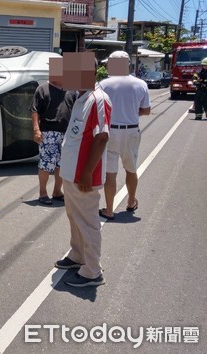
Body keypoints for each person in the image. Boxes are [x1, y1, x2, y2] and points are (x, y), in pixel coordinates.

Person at [54, 51, 111, 287]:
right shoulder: (80, 97)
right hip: (71, 173)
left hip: (83, 175)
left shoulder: (98, 99)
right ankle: (77, 254)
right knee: (73, 217)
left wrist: (87, 173)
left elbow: (102, 138)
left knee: (87, 222)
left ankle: (92, 270)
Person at [98, 51, 151, 220]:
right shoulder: (140, 84)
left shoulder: (103, 84)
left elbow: (98, 109)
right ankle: (130, 201)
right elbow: (146, 110)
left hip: (110, 131)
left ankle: (109, 210)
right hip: (131, 130)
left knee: (110, 172)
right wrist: (131, 112)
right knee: (131, 168)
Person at [30, 57, 77, 205]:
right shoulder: (42, 89)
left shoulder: (72, 90)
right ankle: (43, 193)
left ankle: (57, 191)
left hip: (67, 133)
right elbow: (34, 111)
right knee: (46, 164)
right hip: (48, 132)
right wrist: (36, 130)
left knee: (62, 165)